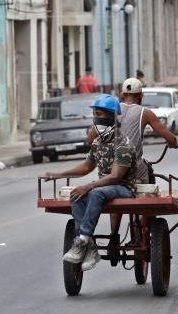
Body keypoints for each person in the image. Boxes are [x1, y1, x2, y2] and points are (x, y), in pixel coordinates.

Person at [45, 94, 139, 271]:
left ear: (112, 117)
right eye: (95, 114)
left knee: (94, 192)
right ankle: (90, 247)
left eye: (101, 114)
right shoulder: (98, 142)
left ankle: (82, 240)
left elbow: (115, 177)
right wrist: (59, 174)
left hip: (124, 188)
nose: (97, 118)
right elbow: (87, 167)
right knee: (77, 194)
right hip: (104, 186)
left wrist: (88, 186)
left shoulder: (123, 143)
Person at [87, 78, 178, 245]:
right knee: (146, 180)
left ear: (122, 95)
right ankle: (144, 229)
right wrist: (173, 142)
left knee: (111, 192)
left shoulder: (110, 111)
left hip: (109, 168)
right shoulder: (145, 113)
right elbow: (167, 135)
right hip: (133, 168)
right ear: (141, 96)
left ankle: (113, 236)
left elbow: (90, 138)